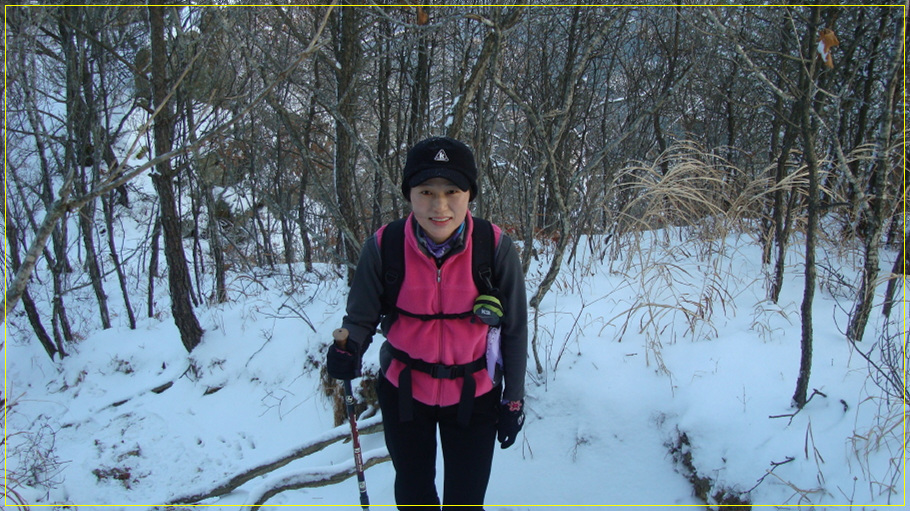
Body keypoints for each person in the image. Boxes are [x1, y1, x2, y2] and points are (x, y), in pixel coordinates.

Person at [326, 136, 528, 509]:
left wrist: (513, 399)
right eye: (426, 191)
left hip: (475, 393)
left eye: (452, 190)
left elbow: (515, 329)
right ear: (409, 195)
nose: (440, 206)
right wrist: (348, 348)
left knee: (465, 502)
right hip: (404, 394)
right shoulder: (384, 246)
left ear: (469, 194)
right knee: (414, 496)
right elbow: (360, 318)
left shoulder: (493, 246)